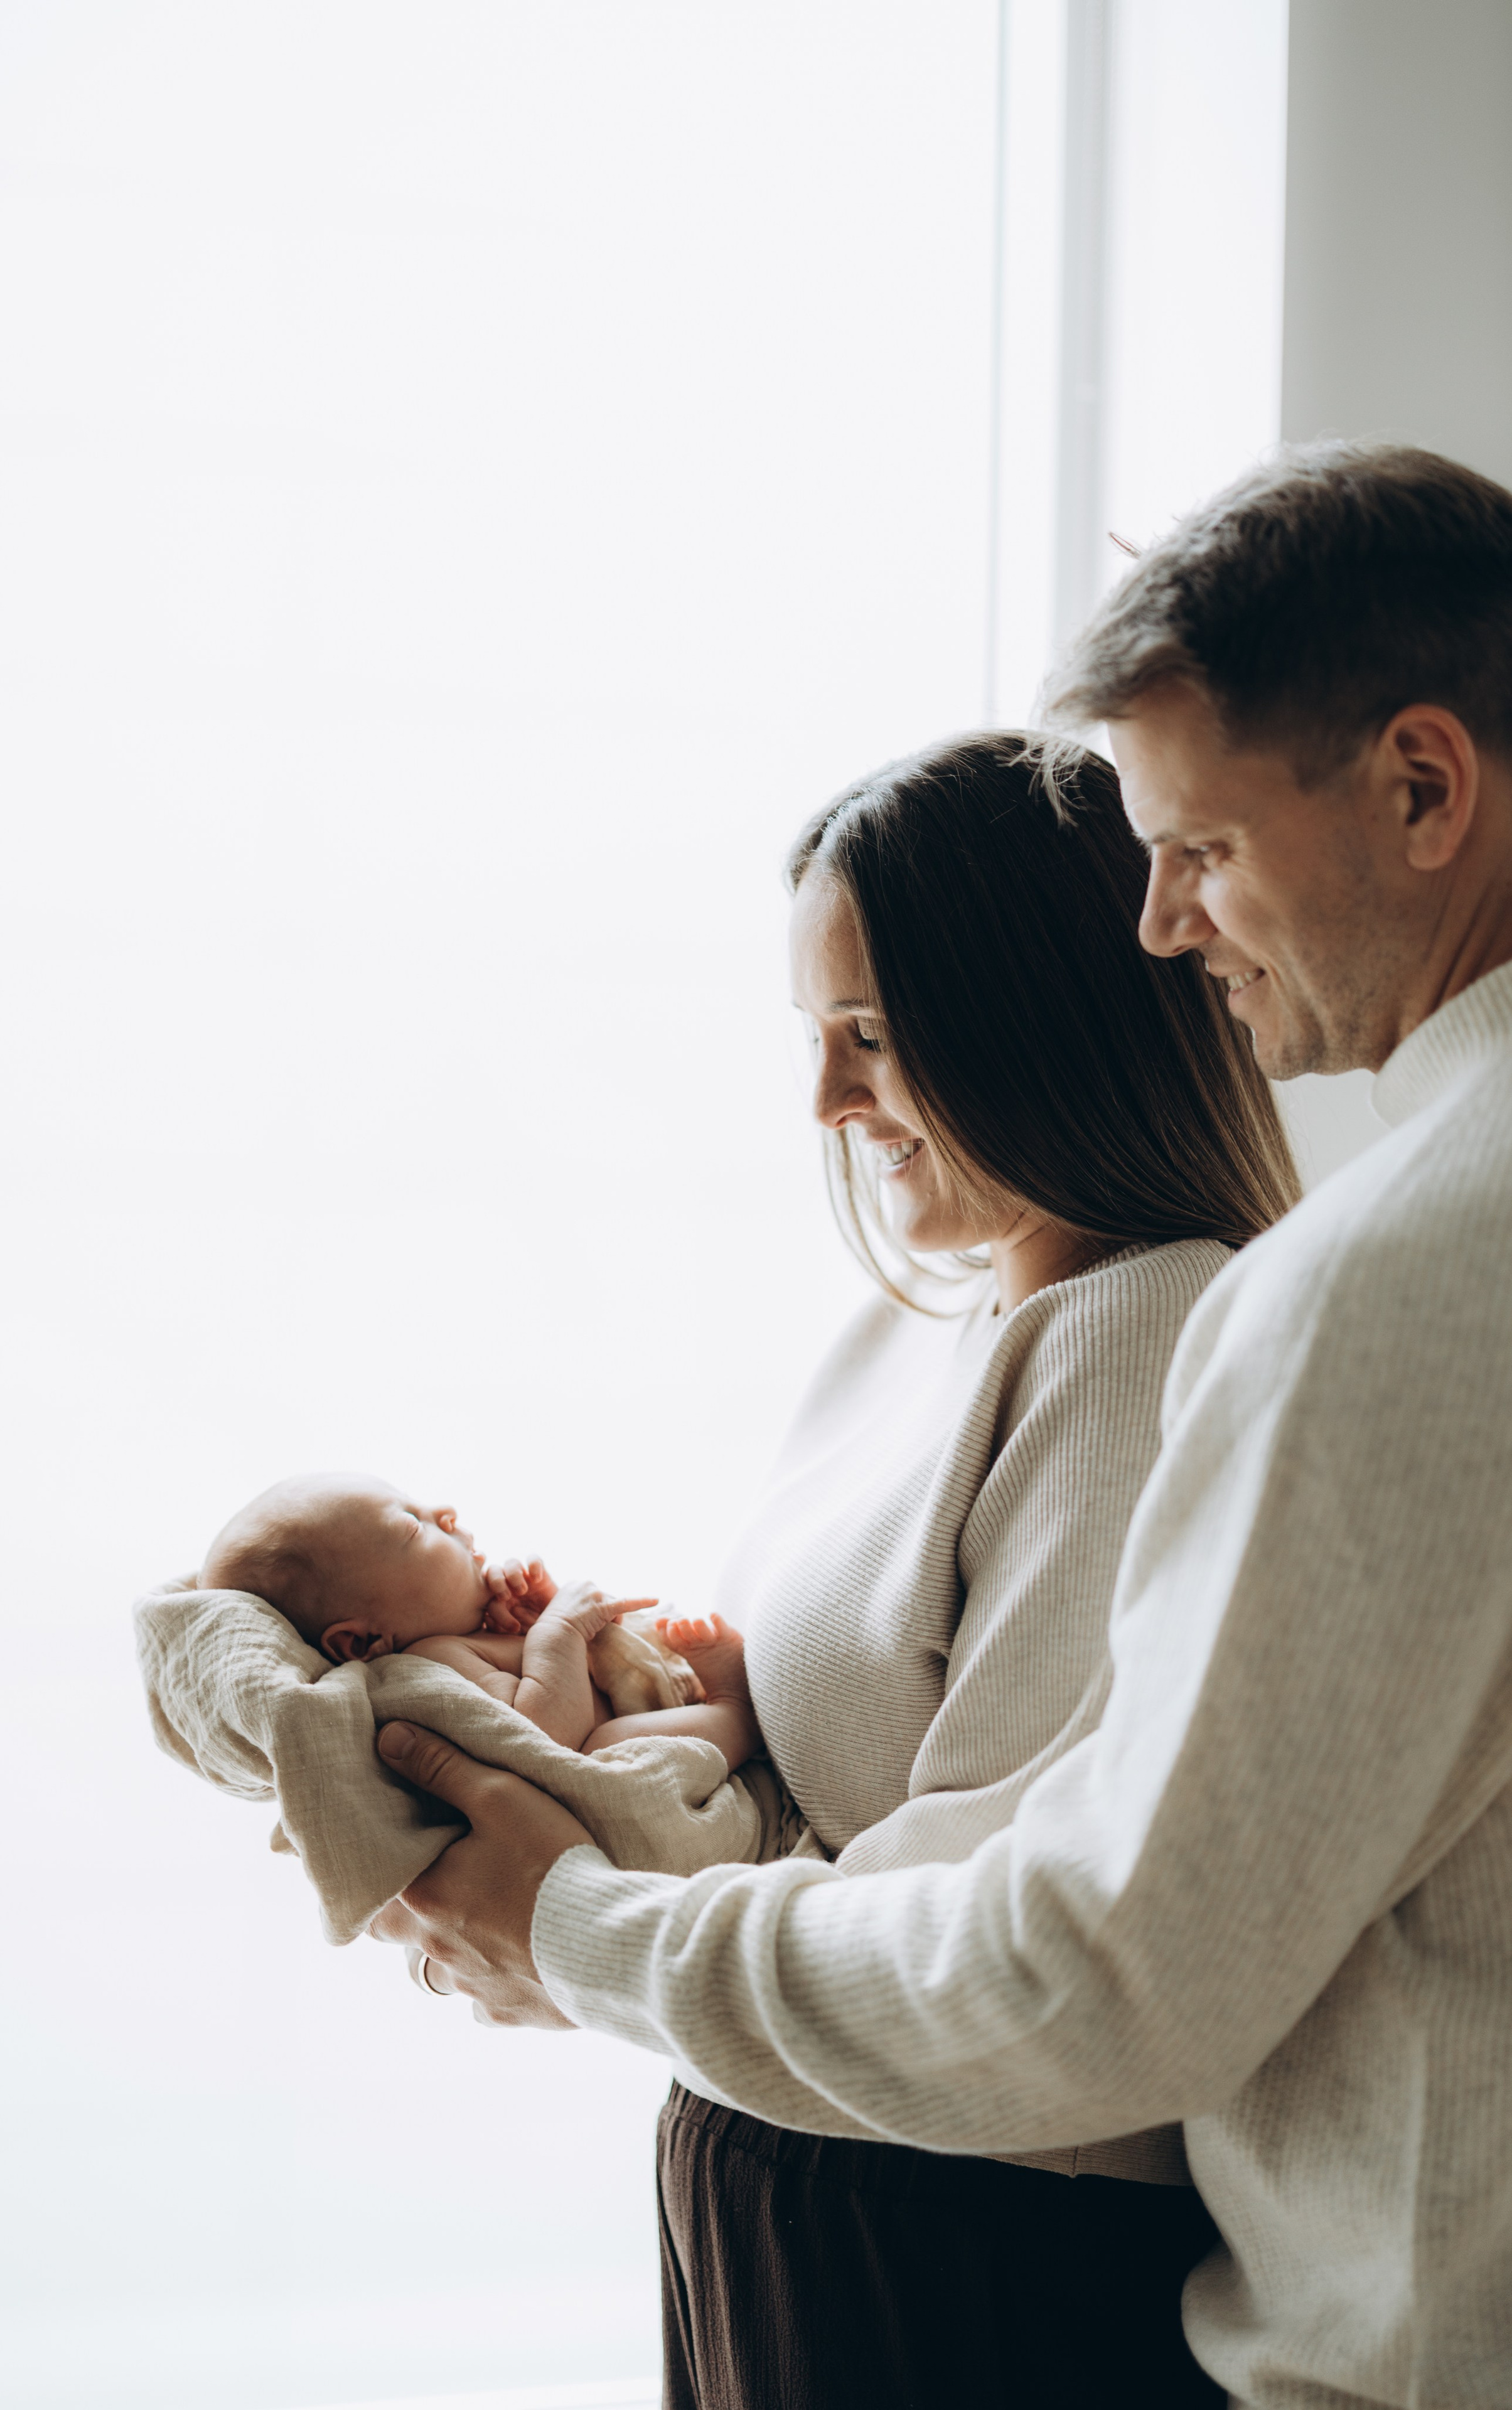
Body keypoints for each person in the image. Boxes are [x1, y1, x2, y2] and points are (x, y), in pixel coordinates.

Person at [371, 442, 1512, 2409]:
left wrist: (579, 1926)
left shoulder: (1389, 1284)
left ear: (1424, 787)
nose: (1160, 927)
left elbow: (1102, 1973)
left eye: (1200, 846)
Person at [382, 730, 1299, 2407]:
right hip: (799, 2180)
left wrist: (578, 1918)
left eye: (870, 1034)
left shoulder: (1142, 1337)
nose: (824, 1099)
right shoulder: (922, 1330)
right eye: (814, 1034)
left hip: (961, 2244)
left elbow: (996, 1919)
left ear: (1034, 1017)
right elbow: (835, 1779)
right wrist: (635, 1703)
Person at [198, 1471, 752, 1760]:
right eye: (412, 1526)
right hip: (622, 1745)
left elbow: (581, 1672)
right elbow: (546, 1739)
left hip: (650, 1702)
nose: (445, 1512)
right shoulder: (429, 1663)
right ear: (362, 1643)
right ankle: (734, 1716)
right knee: (607, 1749)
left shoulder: (470, 1633)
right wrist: (559, 1630)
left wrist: (540, 1616)